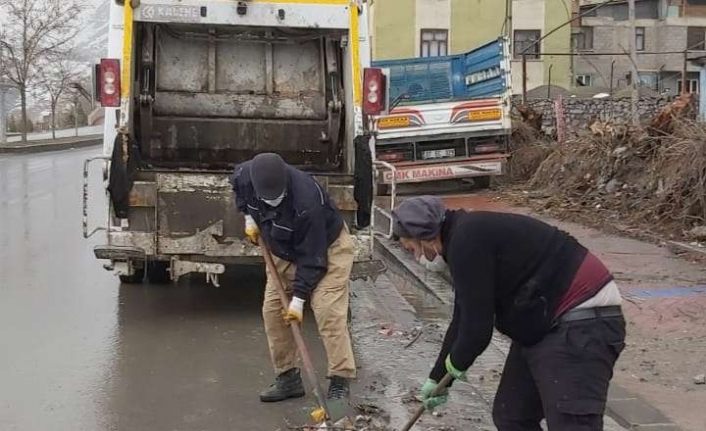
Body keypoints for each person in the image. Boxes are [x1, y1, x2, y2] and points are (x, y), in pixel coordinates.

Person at [392, 196, 625, 431]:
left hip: (581, 319)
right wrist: (439, 376)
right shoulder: (462, 239)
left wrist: (455, 367)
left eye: (412, 249)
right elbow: (463, 315)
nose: (416, 257)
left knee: (571, 425)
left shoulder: (468, 238)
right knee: (512, 416)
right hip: (542, 324)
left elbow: (477, 330)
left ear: (426, 237)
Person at [230, 153, 356, 403]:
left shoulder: (307, 200)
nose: (273, 203)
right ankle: (288, 378)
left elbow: (313, 259)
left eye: (278, 198)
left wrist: (298, 300)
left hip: (327, 249)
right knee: (273, 311)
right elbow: (240, 193)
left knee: (327, 309)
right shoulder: (245, 176)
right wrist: (248, 217)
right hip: (281, 251)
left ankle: (340, 380)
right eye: (267, 199)